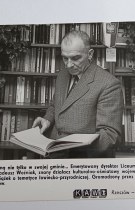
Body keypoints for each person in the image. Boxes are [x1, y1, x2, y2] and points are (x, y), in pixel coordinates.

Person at [32, 30, 123, 158]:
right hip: (51, 154)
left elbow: (110, 136)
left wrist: (71, 147)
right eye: (65, 58)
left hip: (80, 159)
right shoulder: (62, 75)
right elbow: (56, 105)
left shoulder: (108, 84)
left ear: (90, 54)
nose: (69, 65)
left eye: (75, 58)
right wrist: (47, 119)